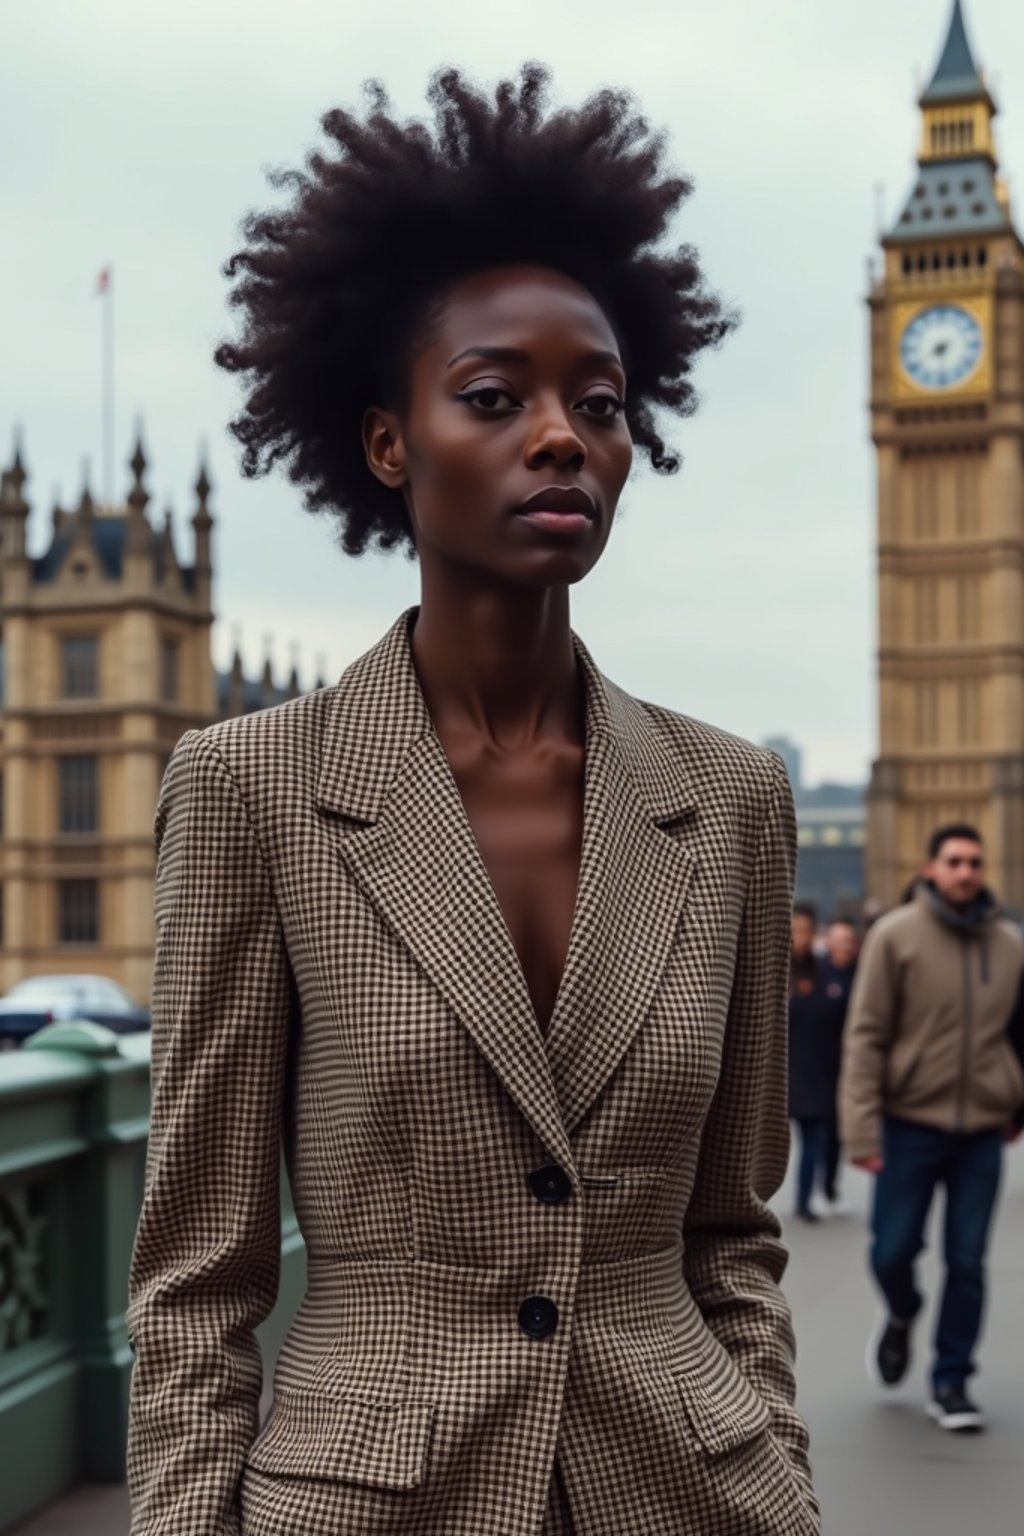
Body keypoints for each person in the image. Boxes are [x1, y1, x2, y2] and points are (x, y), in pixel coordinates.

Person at [126, 69, 819, 1536]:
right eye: (498, 398)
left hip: (688, 1497)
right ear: (389, 445)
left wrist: (780, 1479)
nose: (563, 436)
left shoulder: (733, 795)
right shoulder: (251, 790)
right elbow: (198, 1286)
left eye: (602, 402)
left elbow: (730, 1241)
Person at [840, 823, 1024, 1434]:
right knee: (893, 1252)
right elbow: (866, 1036)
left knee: (967, 1261)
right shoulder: (895, 937)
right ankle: (901, 1312)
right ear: (931, 867)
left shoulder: (1009, 943)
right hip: (908, 1124)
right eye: (955, 861)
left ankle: (952, 1380)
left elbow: (1020, 1035)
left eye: (975, 861)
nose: (967, 871)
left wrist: (1014, 1106)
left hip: (979, 1132)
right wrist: (861, 1131)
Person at [788, 909, 857, 1220]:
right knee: (810, 1139)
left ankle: (821, 1192)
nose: (798, 938)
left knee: (826, 1139)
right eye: (794, 930)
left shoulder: (826, 977)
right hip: (795, 1073)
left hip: (827, 1070)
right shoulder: (775, 973)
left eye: (804, 930)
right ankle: (805, 1200)